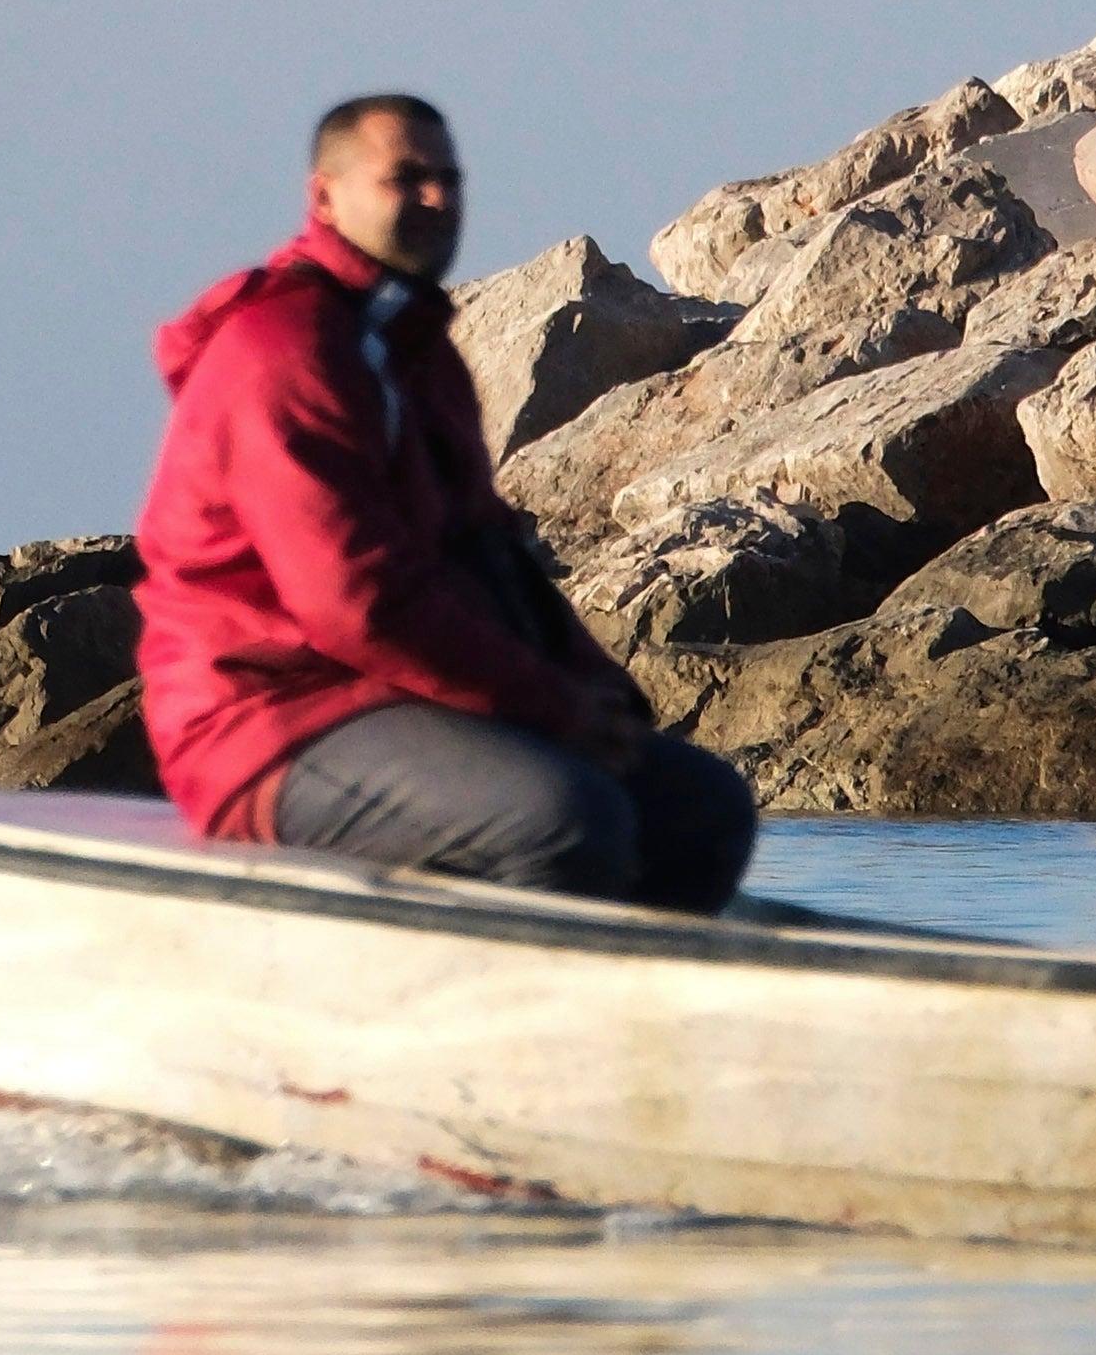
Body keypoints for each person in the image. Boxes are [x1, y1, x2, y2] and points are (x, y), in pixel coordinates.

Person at [133, 93, 762, 914]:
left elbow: (487, 552)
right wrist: (546, 706)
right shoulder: (281, 351)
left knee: (699, 809)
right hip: (262, 721)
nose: (437, 199)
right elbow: (351, 600)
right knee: (565, 821)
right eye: (406, 178)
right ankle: (487, 1025)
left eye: (449, 179)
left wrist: (593, 691)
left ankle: (651, 1017)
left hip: (391, 701)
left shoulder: (412, 350)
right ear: (324, 197)